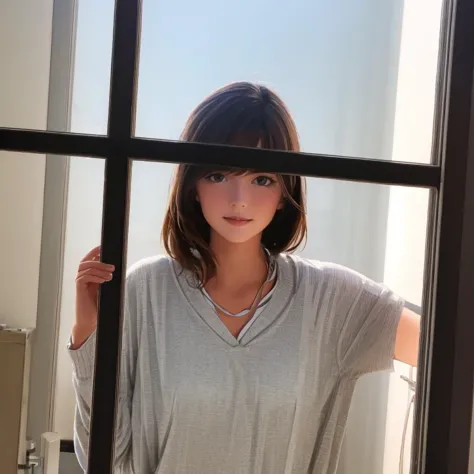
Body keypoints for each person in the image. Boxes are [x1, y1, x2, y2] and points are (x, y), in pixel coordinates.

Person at [68, 81, 421, 474]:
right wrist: (87, 333)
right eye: (219, 175)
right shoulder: (145, 291)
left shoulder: (330, 299)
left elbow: (442, 350)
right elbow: (104, 459)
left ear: (286, 190)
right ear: (193, 186)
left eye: (262, 180)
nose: (239, 199)